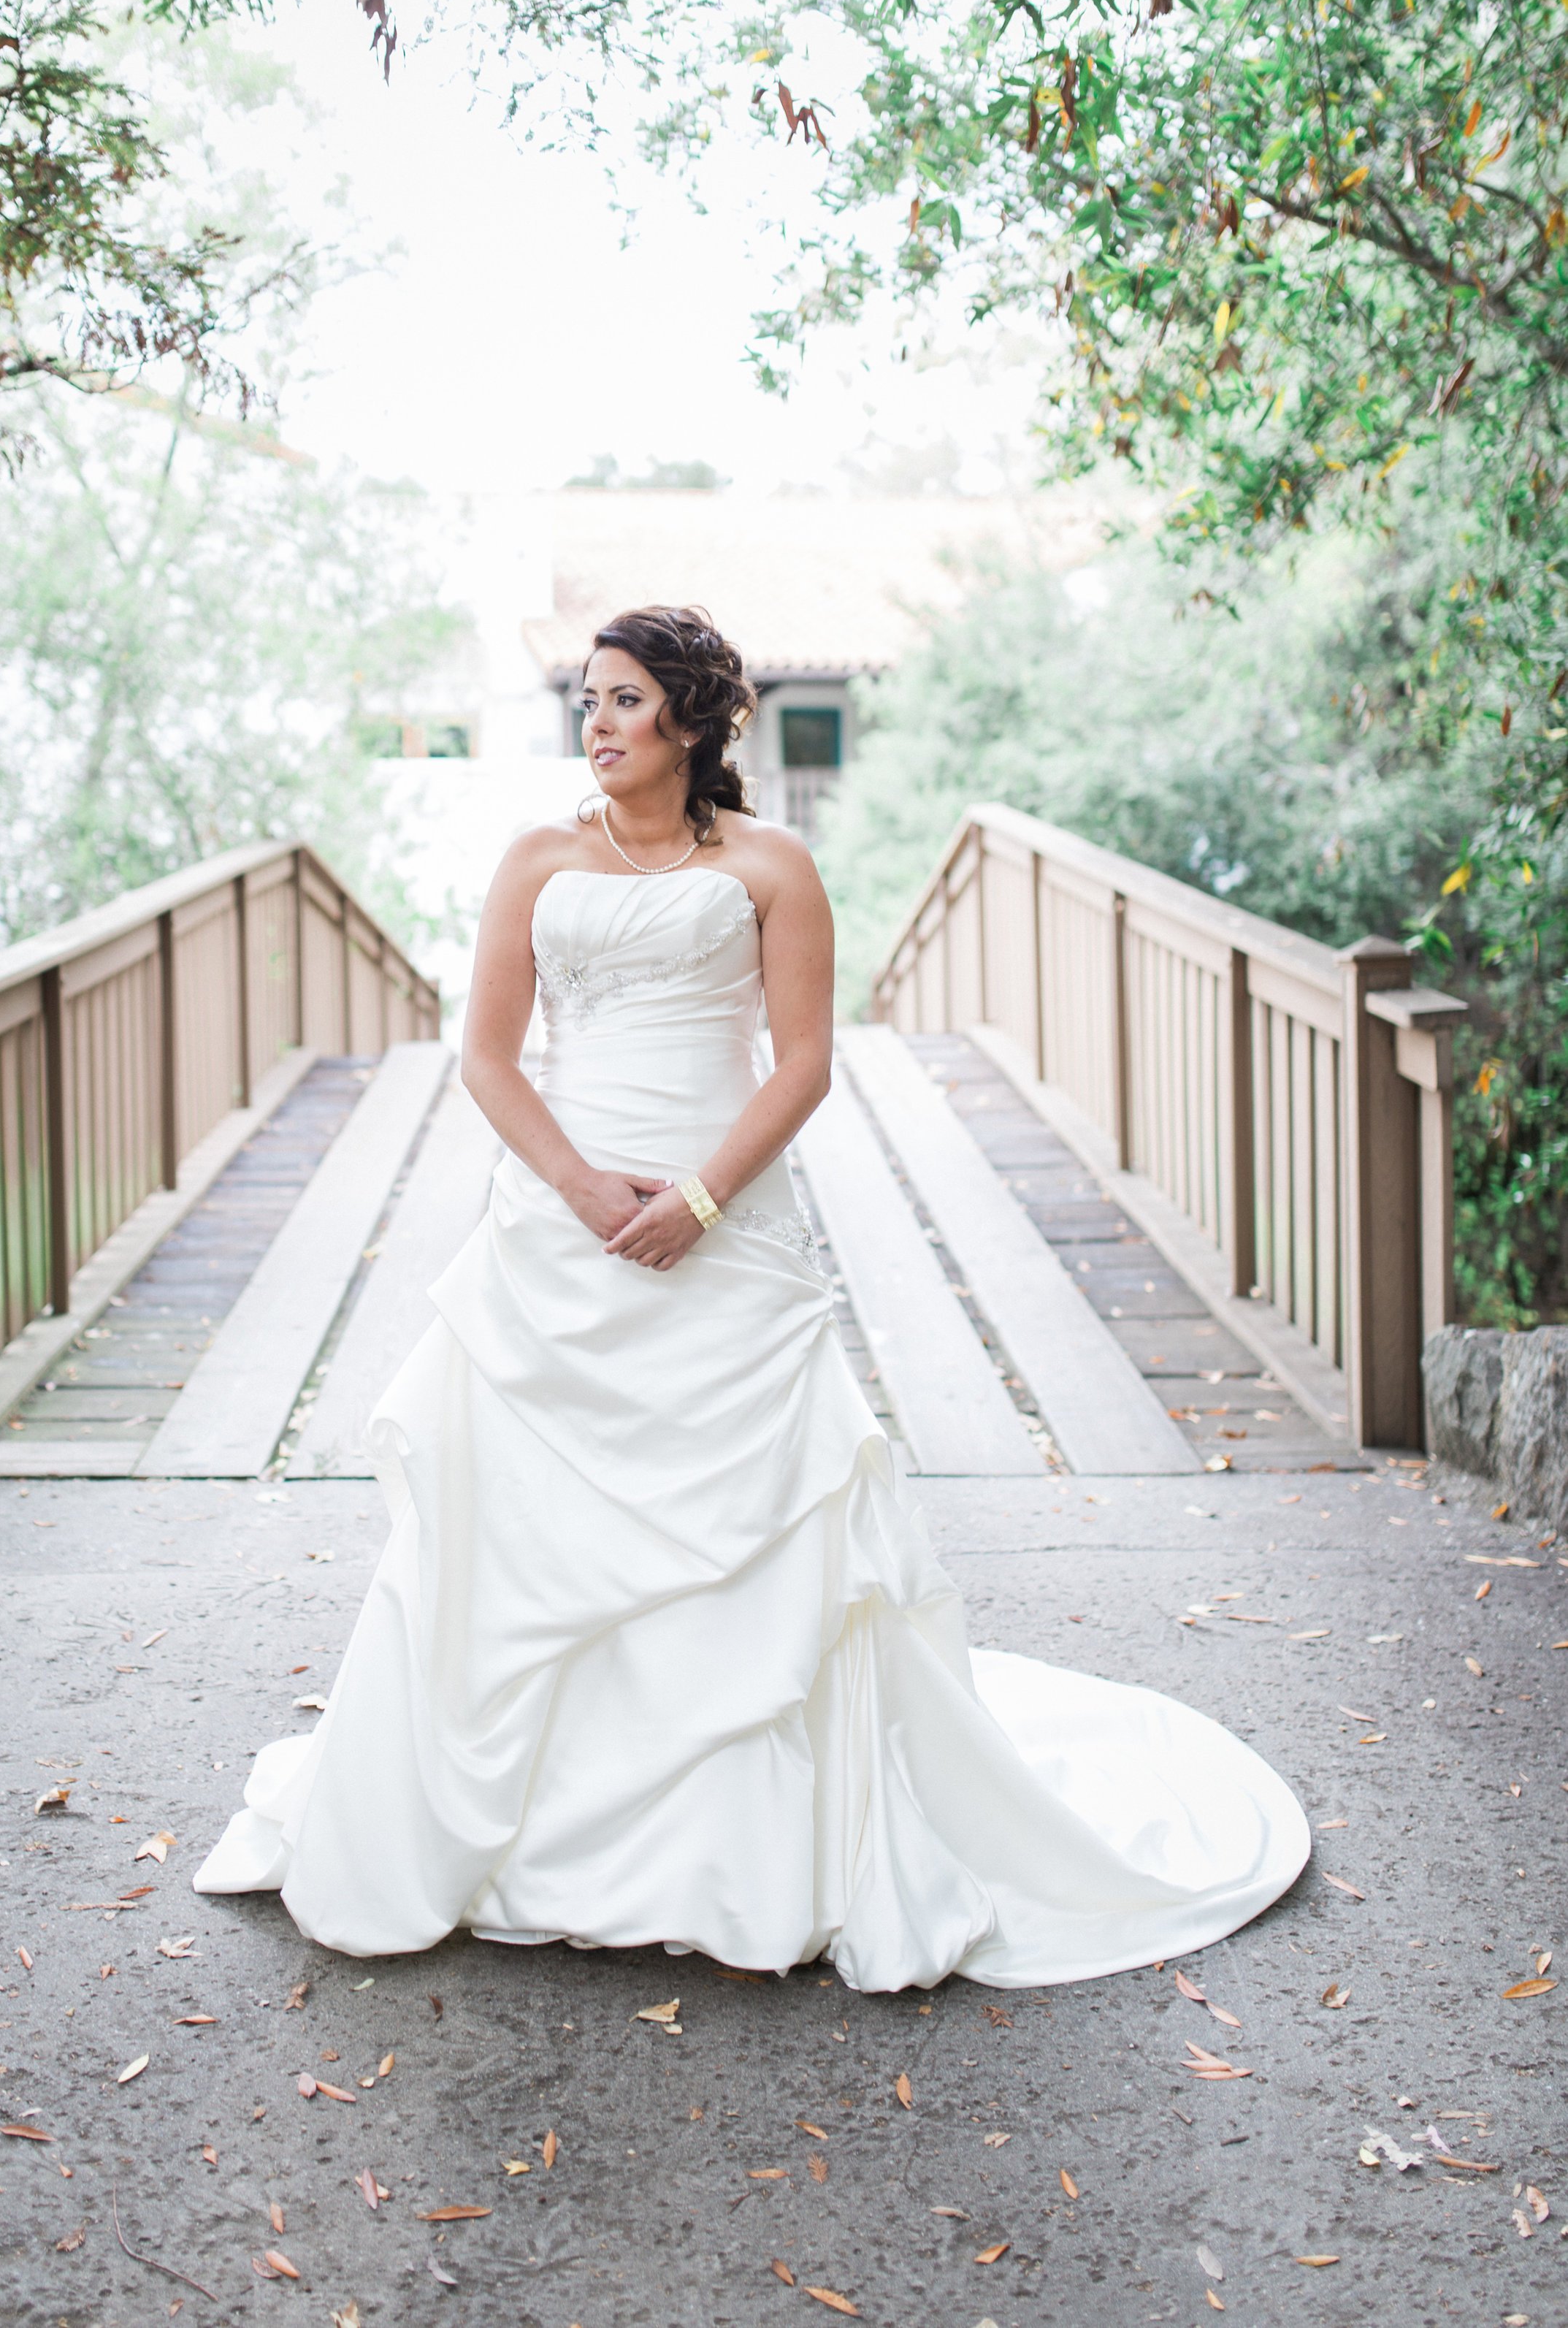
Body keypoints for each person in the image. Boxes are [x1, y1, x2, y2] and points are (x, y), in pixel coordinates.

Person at [195, 605, 1308, 1989]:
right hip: (560, 1232)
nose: (595, 724)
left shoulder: (776, 866)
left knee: (764, 1522)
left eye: (622, 700)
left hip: (727, 1227)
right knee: (523, 1514)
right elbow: (486, 1058)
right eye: (586, 702)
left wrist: (699, 1204)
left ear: (689, 718)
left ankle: (752, 1845)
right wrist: (585, 1192)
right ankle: (516, 1823)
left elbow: (802, 1063)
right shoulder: (535, 862)